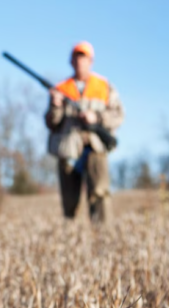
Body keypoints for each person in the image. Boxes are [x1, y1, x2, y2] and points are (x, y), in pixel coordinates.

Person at [45, 41, 124, 223]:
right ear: (71, 61)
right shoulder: (61, 88)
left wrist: (96, 117)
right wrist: (56, 107)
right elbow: (51, 123)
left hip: (95, 148)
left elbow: (119, 115)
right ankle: (70, 240)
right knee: (69, 200)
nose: (80, 61)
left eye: (84, 57)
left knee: (100, 194)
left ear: (91, 61)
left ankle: (103, 239)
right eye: (76, 57)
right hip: (69, 149)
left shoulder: (104, 86)